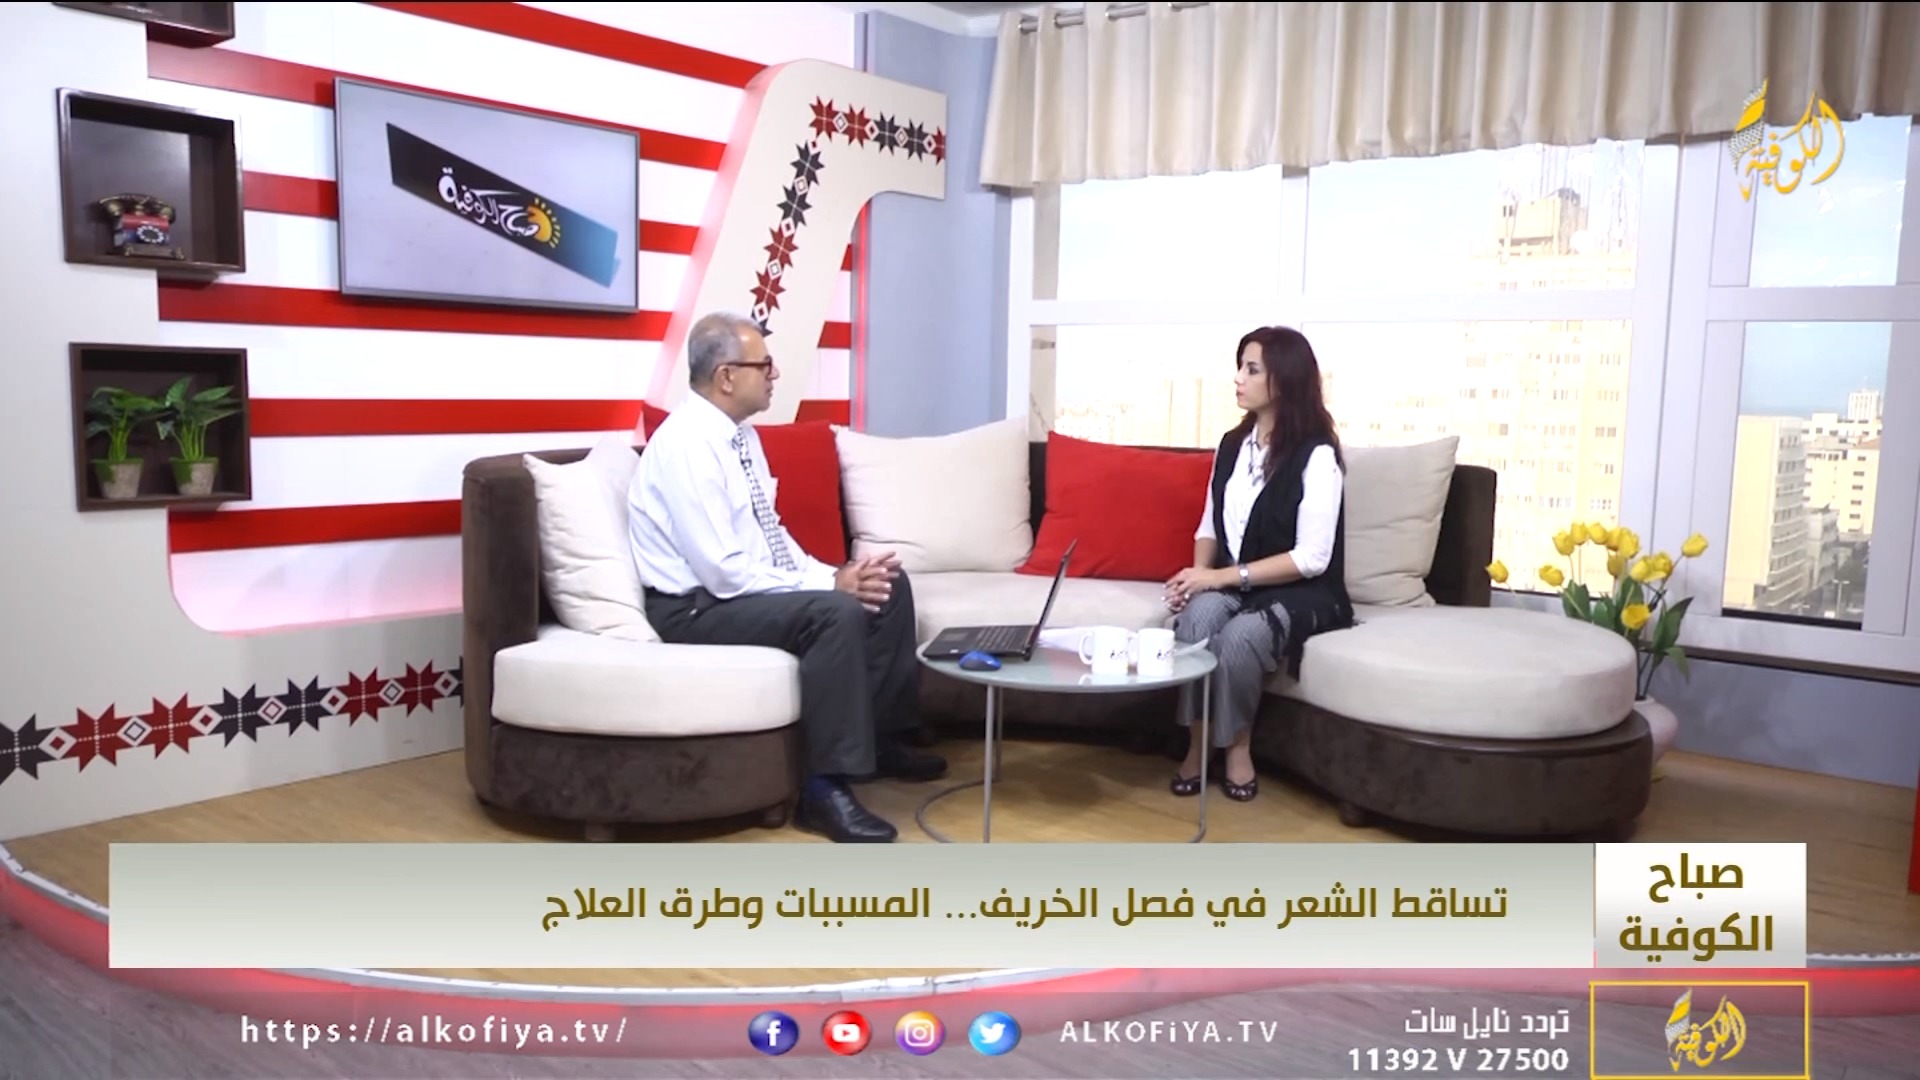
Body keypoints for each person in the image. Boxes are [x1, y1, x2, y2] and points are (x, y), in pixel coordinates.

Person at [628, 312, 946, 844]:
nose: (774, 374)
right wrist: (830, 589)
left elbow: (770, 538)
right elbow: (723, 572)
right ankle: (822, 790)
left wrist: (838, 573)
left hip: (732, 593)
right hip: (693, 608)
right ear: (727, 376)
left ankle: (881, 740)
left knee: (886, 586)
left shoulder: (740, 438)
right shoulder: (687, 446)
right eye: (765, 365)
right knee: (835, 612)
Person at [1162, 326, 1353, 803]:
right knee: (1197, 620)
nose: (1238, 379)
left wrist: (1219, 576)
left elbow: (1312, 558)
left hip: (1301, 590)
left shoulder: (1317, 455)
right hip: (1236, 580)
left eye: (1251, 370)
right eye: (1240, 368)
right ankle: (1197, 743)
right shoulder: (1232, 444)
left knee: (1242, 636)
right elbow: (1209, 524)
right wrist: (1197, 579)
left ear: (1283, 380)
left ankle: (1237, 746)